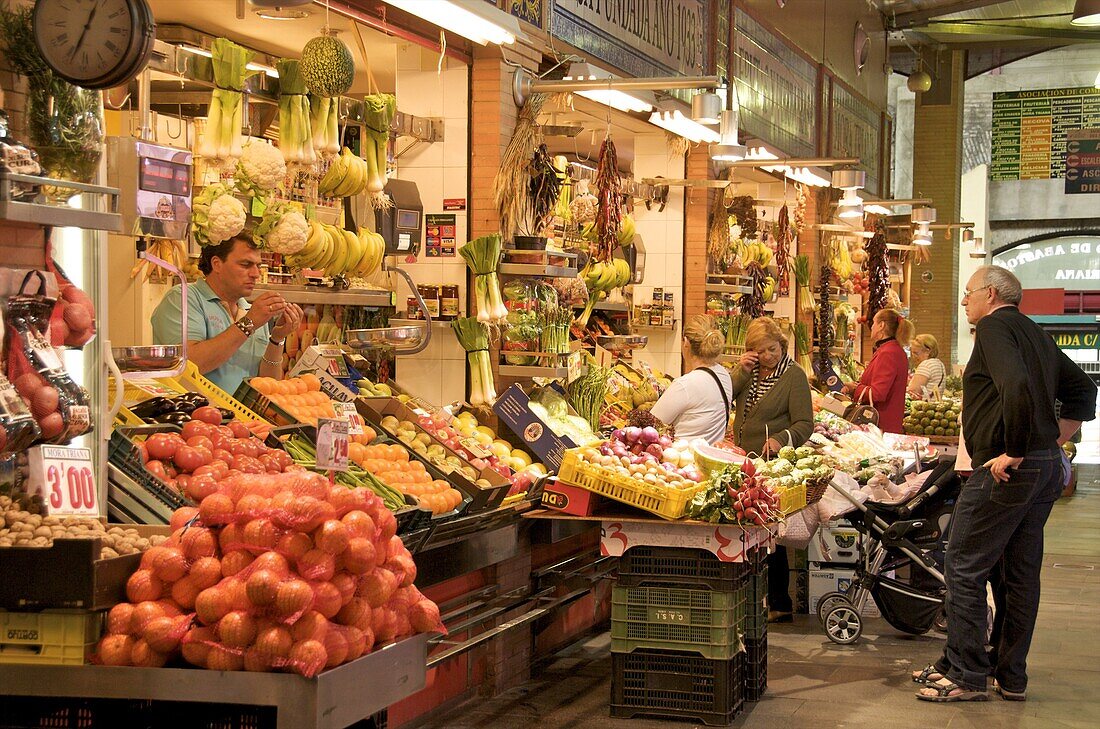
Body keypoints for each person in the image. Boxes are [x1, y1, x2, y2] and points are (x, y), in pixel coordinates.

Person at [912, 265, 1095, 703]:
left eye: (968, 293)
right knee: (1017, 573)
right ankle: (1009, 675)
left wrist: (1016, 447)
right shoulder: (1033, 331)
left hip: (1009, 470)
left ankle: (966, 673)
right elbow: (1085, 390)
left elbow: (1015, 384)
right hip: (1044, 468)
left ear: (990, 294)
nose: (963, 301)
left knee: (961, 565)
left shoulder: (994, 328)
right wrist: (1050, 441)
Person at [730, 317, 814, 623]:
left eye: (773, 348)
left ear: (782, 344)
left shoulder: (794, 377)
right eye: (762, 350)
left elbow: (805, 423)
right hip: (744, 460)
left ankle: (780, 602)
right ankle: (754, 599)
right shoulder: (750, 375)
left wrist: (780, 440)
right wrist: (741, 369)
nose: (769, 355)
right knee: (750, 532)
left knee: (770, 535)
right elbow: (728, 395)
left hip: (772, 465)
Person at [151, 236, 303, 394]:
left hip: (243, 417)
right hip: (194, 415)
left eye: (258, 265)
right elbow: (189, 364)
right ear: (217, 264)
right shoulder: (183, 297)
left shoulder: (252, 311)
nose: (256, 274)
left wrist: (276, 339)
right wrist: (248, 323)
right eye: (246, 264)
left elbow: (268, 385)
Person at [650, 315, 733, 444]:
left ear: (686, 342)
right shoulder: (724, 375)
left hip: (683, 460)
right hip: (711, 456)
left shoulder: (685, 385)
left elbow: (649, 426)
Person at [841, 308, 912, 433]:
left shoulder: (888, 352)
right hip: (885, 424)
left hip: (881, 426)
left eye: (873, 323)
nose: (871, 327)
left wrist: (854, 389)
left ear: (881, 325)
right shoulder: (890, 349)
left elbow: (877, 393)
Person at [907, 333, 947, 400]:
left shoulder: (926, 365)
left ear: (927, 351)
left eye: (916, 353)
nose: (913, 356)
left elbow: (913, 391)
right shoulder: (939, 364)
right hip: (935, 406)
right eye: (912, 352)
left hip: (923, 407)